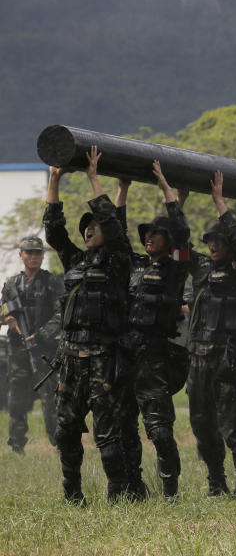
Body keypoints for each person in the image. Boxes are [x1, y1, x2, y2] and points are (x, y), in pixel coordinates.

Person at [43, 147, 131, 504]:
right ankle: (72, 496)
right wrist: (55, 178)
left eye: (94, 226)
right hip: (69, 359)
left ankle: (117, 495)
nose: (89, 229)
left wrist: (94, 177)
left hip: (103, 357)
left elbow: (112, 222)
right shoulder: (75, 262)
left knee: (107, 433)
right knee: (65, 431)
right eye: (86, 228)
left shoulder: (118, 262)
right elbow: (53, 231)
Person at [114, 162, 193, 500]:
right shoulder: (131, 265)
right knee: (124, 427)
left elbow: (182, 233)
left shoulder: (175, 268)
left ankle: (170, 492)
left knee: (160, 430)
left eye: (155, 234)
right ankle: (134, 488)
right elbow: (114, 232)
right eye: (145, 234)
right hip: (125, 355)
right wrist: (123, 189)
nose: (148, 237)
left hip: (156, 358)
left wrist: (166, 189)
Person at [182, 171, 236, 496]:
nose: (213, 245)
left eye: (218, 240)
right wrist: (178, 202)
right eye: (209, 241)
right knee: (202, 424)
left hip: (228, 357)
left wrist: (219, 202)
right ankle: (216, 483)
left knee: (234, 424)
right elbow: (177, 244)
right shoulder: (199, 269)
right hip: (198, 357)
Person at [1, 236, 63, 454]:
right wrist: (10, 320)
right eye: (29, 252)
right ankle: (17, 445)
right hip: (18, 350)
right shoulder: (11, 284)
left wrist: (40, 335)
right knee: (17, 397)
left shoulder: (53, 282)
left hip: (45, 350)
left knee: (51, 396)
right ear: (21, 255)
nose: (34, 256)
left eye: (37, 253)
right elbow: (3, 310)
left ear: (42, 256)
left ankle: (58, 444)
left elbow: (61, 313)